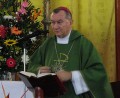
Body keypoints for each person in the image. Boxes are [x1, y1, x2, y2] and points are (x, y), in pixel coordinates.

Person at [27, 6, 114, 98]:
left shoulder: (83, 44)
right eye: (53, 22)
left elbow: (98, 72)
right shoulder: (48, 44)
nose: (55, 26)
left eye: (59, 22)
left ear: (71, 22)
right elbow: (32, 65)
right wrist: (38, 70)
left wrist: (71, 75)